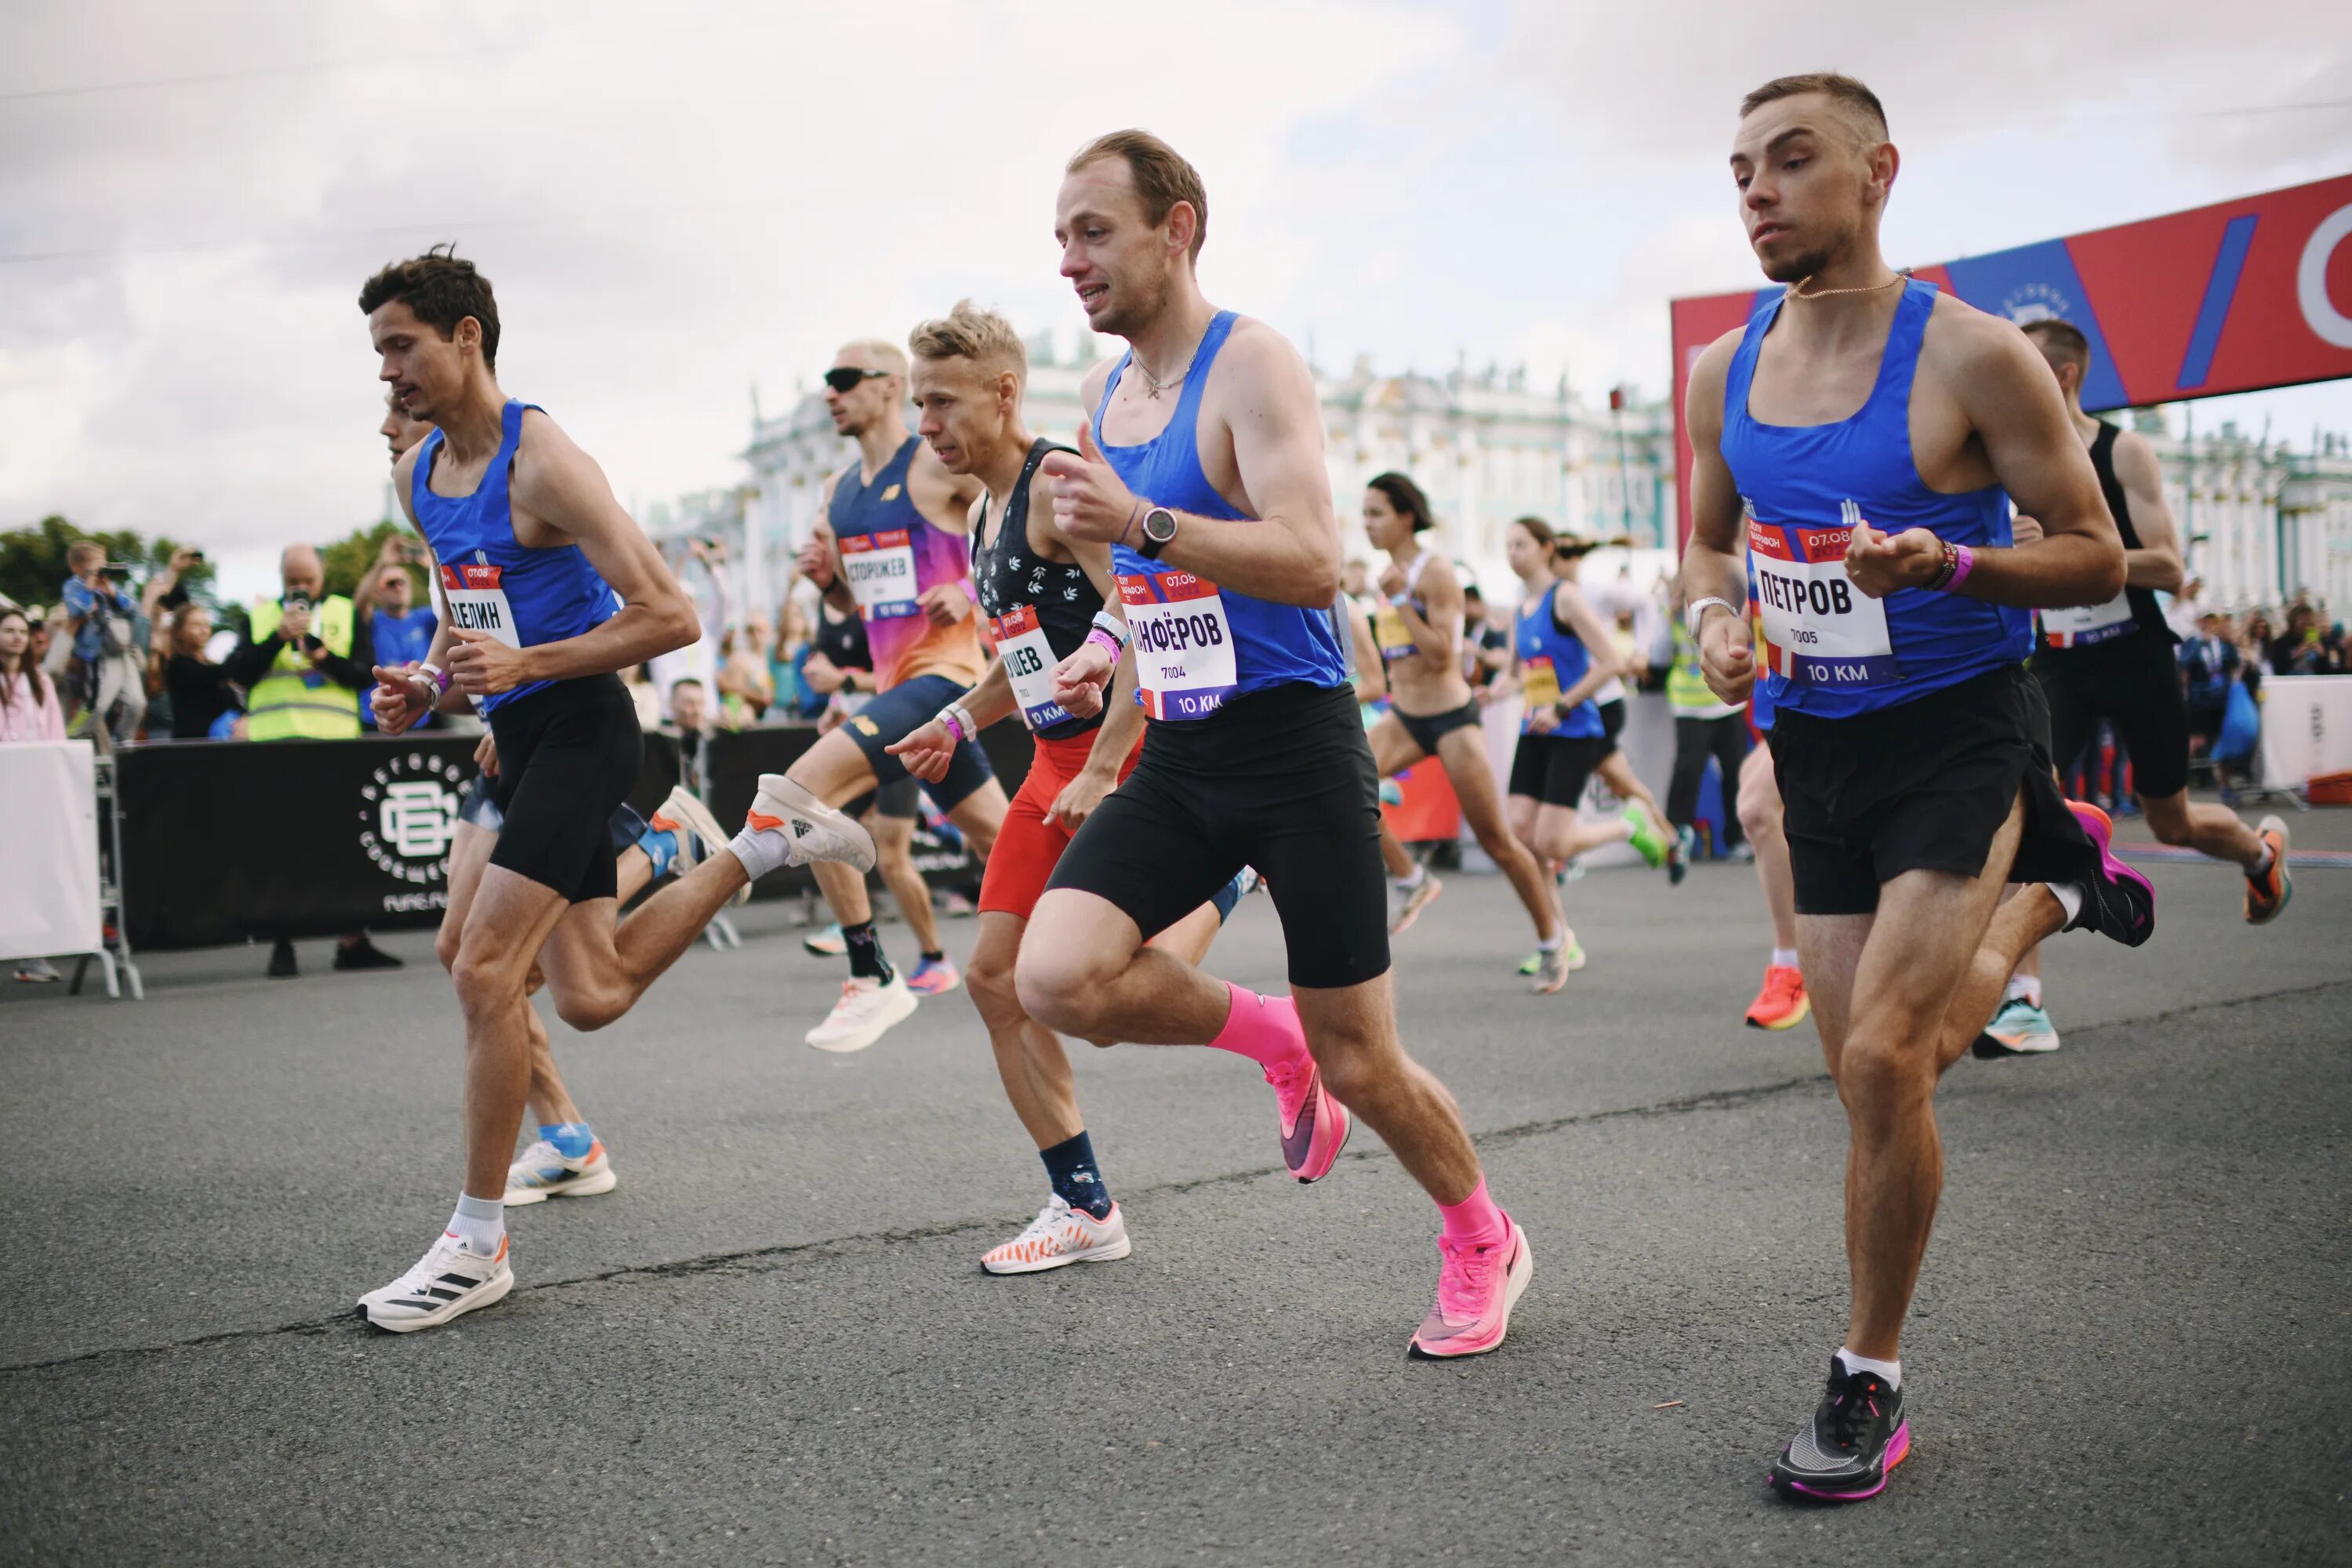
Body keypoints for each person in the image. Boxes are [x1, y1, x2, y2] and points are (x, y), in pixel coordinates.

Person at [1682, 73, 2163, 1500]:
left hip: (1957, 728)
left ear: (1878, 171)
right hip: (1814, 738)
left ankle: (1868, 1379)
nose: (1758, 190)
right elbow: (1708, 547)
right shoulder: (1723, 367)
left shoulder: (1970, 357)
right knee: (1873, 1078)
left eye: (1791, 160)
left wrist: (1950, 563)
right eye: (1740, 169)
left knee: (1888, 1060)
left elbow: (2096, 552)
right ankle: (2053, 895)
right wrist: (1713, 618)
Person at [1014, 130, 1530, 1357]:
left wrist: (1139, 517)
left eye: (1094, 232)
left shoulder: (1251, 365)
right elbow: (1163, 588)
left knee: (1369, 1062)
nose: (1071, 262)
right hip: (1186, 750)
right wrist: (1112, 648)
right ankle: (1272, 1037)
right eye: (1060, 240)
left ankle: (1481, 1236)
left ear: (1176, 227)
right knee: (1057, 978)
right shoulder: (1103, 396)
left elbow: (1310, 562)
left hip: (1297, 750)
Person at [353, 246, 873, 1332]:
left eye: (401, 346)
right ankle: (760, 842)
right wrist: (429, 683)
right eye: (378, 353)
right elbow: (474, 620)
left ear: (466, 338)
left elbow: (671, 617)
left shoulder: (546, 464)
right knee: (589, 995)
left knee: (482, 969)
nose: (387, 372)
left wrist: (529, 673)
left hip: (588, 729)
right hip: (520, 733)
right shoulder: (416, 478)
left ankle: (477, 1242)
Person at [886, 300, 1259, 1270]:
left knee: (1108, 1002)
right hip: (1050, 766)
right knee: (995, 980)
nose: (926, 425)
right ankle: (1083, 1203)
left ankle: (1232, 879)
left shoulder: (1062, 484)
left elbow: (1144, 614)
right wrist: (958, 719)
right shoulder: (982, 508)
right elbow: (1023, 653)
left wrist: (1103, 765)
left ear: (1005, 392)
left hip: (1127, 762)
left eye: (941, 402)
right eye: (918, 404)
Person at [1973, 325, 2292, 1059]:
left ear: (2066, 374)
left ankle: (2260, 857)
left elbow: (2172, 567)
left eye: (2025, 369)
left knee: (2171, 820)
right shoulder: (2003, 458)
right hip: (2056, 660)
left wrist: (2076, 550)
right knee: (2020, 810)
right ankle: (2023, 1003)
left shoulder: (2122, 452)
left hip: (2136, 655)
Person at [775, 335, 1007, 1052]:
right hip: (895, 684)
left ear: (889, 386)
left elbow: (1020, 524)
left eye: (845, 378)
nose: (831, 392)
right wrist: (827, 584)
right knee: (1001, 839)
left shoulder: (939, 467)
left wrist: (966, 590)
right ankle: (1137, 908)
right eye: (827, 380)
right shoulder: (837, 493)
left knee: (798, 794)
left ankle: (872, 975)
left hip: (949, 680)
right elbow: (856, 606)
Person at [1359, 472, 1573, 991]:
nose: (1366, 525)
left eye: (1376, 514)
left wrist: (1402, 603)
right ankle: (1412, 879)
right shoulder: (1389, 573)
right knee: (1345, 785)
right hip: (1406, 716)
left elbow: (1442, 656)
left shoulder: (1436, 575)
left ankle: (1553, 941)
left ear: (1407, 517)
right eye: (1363, 515)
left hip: (1451, 717)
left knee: (1497, 840)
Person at [221, 543, 401, 975]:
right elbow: (238, 672)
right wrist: (278, 638)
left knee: (343, 846)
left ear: (323, 576)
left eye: (308, 580)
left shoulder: (345, 611)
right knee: (279, 850)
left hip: (334, 746)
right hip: (275, 748)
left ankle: (352, 942)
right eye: (292, 582)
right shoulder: (262, 616)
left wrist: (323, 657)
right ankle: (282, 945)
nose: (300, 589)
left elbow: (364, 674)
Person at [1499, 517, 1671, 919]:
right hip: (1534, 727)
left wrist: (1562, 706)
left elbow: (1611, 662)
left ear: (1547, 549)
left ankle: (1631, 826)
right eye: (1508, 546)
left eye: (1521, 545)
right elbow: (1513, 676)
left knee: (1552, 844)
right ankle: (1558, 937)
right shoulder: (1518, 607)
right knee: (1522, 834)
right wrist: (1487, 694)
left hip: (1575, 726)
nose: (1512, 554)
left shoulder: (1568, 597)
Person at [1550, 534, 1682, 879]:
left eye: (1564, 556)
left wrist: (1641, 651)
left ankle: (1566, 854)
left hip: (1601, 702)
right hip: (1570, 703)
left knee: (1574, 775)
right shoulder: (1548, 596)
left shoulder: (1596, 590)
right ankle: (1670, 838)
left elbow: (1648, 605)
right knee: (1621, 782)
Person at [1663, 576, 1750, 864]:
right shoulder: (1671, 615)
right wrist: (1671, 613)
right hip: (1690, 703)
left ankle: (1737, 838)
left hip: (1726, 702)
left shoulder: (1725, 604)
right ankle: (1676, 837)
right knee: (1688, 771)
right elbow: (1659, 654)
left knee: (1736, 771)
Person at [58, 540, 145, 748]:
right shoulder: (73, 586)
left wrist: (113, 594)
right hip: (98, 655)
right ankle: (73, 736)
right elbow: (77, 611)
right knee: (97, 706)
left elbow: (134, 611)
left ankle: (124, 743)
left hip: (123, 650)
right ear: (77, 566)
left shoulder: (108, 584)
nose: (102, 567)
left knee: (137, 703)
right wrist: (89, 585)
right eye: (96, 563)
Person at [354, 534, 438, 728]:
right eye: (391, 583)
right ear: (378, 592)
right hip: (377, 716)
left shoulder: (423, 618)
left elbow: (450, 606)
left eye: (403, 582)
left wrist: (434, 563)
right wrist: (383, 563)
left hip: (420, 717)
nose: (398, 587)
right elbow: (360, 603)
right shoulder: (374, 619)